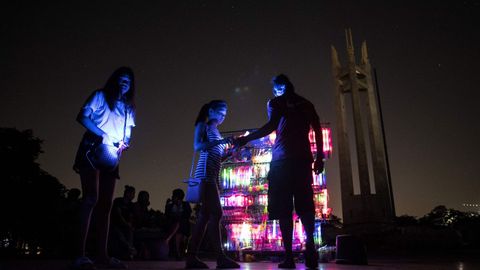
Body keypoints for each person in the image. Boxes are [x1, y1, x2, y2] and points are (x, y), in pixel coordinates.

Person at [234, 74, 325, 269]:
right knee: (306, 205)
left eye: (275, 89)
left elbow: (270, 126)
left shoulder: (275, 102)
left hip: (282, 161)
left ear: (278, 88)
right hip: (302, 159)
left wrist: (245, 140)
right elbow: (317, 129)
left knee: (284, 209)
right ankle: (310, 248)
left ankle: (290, 257)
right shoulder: (306, 103)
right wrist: (319, 158)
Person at [72, 66, 136, 270]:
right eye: (121, 78)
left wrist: (124, 143)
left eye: (128, 80)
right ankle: (80, 255)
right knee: (91, 198)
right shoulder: (100, 96)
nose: (124, 82)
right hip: (92, 149)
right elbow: (82, 116)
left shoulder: (128, 107)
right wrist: (102, 134)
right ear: (113, 80)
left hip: (112, 155)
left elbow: (127, 134)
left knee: (106, 206)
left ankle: (102, 256)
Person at [185, 100, 240, 269]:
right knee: (216, 213)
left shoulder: (216, 131)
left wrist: (230, 153)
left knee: (204, 218)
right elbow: (197, 146)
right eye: (221, 112)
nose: (223, 115)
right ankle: (220, 257)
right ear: (211, 110)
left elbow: (218, 157)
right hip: (205, 176)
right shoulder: (204, 125)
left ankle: (192, 257)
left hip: (212, 177)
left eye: (225, 113)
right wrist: (220, 143)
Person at [109, 185, 136, 260]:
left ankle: (129, 253)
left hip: (125, 226)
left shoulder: (131, 205)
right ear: (127, 193)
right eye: (132, 193)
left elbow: (131, 217)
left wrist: (129, 224)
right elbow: (118, 214)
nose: (133, 196)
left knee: (130, 232)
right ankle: (130, 248)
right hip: (116, 224)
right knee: (118, 233)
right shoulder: (118, 201)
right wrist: (125, 223)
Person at [165, 188, 192, 260]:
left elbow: (187, 215)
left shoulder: (185, 205)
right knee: (178, 226)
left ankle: (177, 251)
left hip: (183, 225)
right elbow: (167, 216)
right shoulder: (170, 206)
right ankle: (177, 252)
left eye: (173, 196)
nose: (172, 197)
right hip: (172, 224)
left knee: (180, 225)